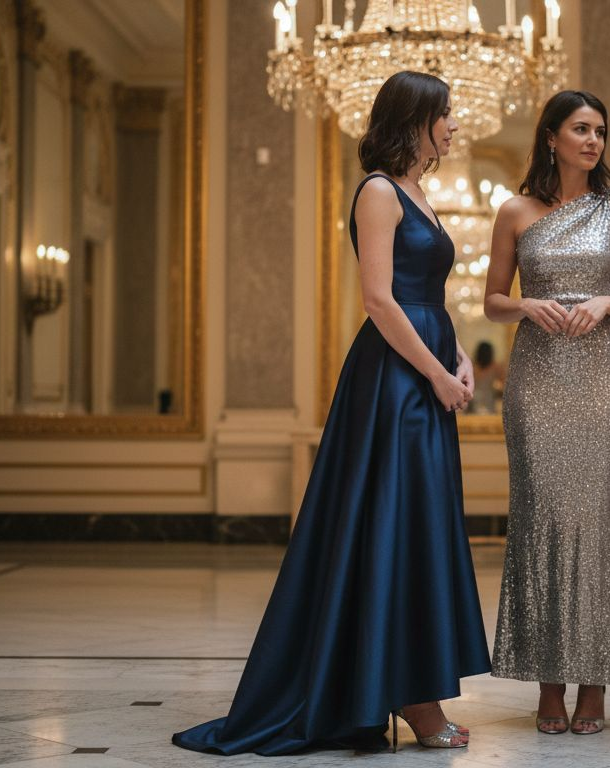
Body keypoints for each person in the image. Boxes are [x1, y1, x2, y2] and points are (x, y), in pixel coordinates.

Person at [172, 71, 491, 756]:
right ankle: (411, 699)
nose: (456, 127)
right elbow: (380, 300)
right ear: (416, 120)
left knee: (415, 530)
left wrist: (459, 352)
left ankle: (413, 691)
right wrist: (436, 373)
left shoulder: (421, 192)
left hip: (424, 372)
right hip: (395, 383)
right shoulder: (378, 191)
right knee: (393, 528)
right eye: (447, 116)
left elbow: (426, 293)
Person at [483, 90, 610, 736]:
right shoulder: (514, 212)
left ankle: (596, 685)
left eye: (601, 131)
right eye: (581, 129)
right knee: (540, 523)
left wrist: (607, 305)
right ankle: (548, 684)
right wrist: (527, 307)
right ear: (550, 136)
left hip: (602, 380)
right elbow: (493, 300)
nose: (594, 141)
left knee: (598, 528)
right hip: (536, 380)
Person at [468, 340, 504, 414]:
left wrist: (498, 388)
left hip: (489, 406)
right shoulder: (471, 367)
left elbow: (504, 387)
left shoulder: (496, 368)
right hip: (473, 406)